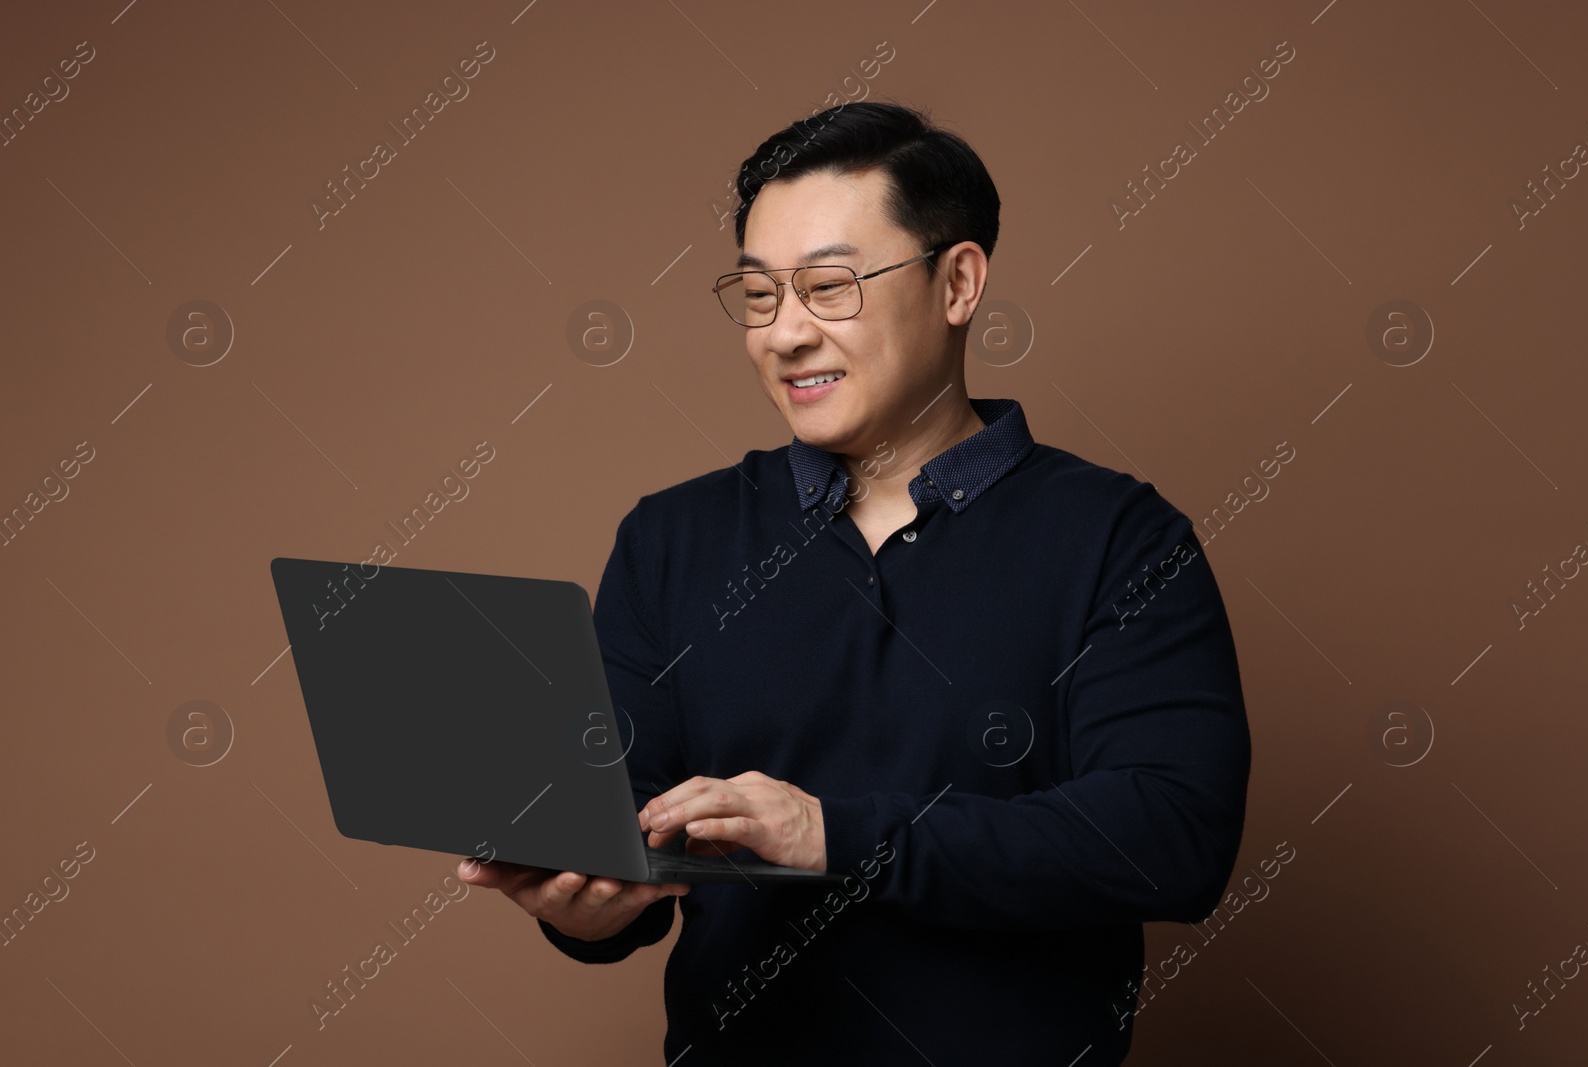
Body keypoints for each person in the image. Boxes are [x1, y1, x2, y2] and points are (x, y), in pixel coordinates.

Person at [459, 100, 1251, 1065]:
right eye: (758, 296)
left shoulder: (1118, 536)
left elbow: (1174, 835)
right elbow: (626, 840)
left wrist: (835, 834)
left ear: (958, 282)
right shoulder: (671, 538)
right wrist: (582, 908)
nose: (785, 334)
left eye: (828, 286)